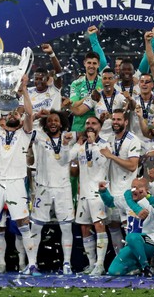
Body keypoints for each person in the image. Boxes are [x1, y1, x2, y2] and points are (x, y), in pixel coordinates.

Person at [0, 77, 40, 276]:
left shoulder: (25, 133)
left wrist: (24, 89)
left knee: (23, 224)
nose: (13, 114)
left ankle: (32, 265)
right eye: (9, 112)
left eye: (15, 112)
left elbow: (29, 113)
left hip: (16, 183)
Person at [29, 110, 75, 275]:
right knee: (35, 227)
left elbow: (86, 133)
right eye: (49, 121)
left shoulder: (70, 136)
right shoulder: (39, 135)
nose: (53, 123)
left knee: (66, 227)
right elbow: (25, 128)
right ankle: (32, 263)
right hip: (43, 187)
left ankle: (67, 263)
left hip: (63, 188)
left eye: (56, 120)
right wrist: (35, 116)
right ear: (45, 124)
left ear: (61, 123)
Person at [68, 116, 112, 276]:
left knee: (99, 225)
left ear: (100, 126)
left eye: (93, 123)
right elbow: (70, 159)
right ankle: (91, 263)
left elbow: (101, 161)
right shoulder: (81, 146)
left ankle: (100, 264)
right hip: (84, 193)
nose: (90, 126)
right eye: (87, 123)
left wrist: (93, 143)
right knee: (84, 228)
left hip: (98, 193)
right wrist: (77, 144)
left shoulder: (105, 145)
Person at [99, 177, 154, 277]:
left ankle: (145, 267)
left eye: (137, 187)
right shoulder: (127, 199)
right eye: (132, 187)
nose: (134, 190)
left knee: (131, 236)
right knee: (114, 271)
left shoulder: (152, 200)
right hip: (132, 243)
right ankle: (138, 266)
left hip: (150, 241)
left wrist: (147, 196)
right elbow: (110, 202)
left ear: (145, 189)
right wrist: (103, 191)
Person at [99, 109, 141, 255]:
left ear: (126, 122)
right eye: (114, 119)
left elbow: (132, 166)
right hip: (112, 190)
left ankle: (134, 261)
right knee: (113, 225)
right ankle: (120, 259)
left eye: (119, 120)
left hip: (127, 191)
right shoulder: (109, 139)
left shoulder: (133, 140)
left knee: (128, 227)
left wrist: (111, 156)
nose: (115, 122)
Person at [69, 25, 108, 132]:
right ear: (84, 63)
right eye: (89, 63)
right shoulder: (76, 83)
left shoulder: (104, 82)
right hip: (78, 128)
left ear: (98, 64)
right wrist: (89, 96)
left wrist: (93, 38)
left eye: (94, 63)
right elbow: (74, 105)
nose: (91, 66)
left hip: (98, 128)